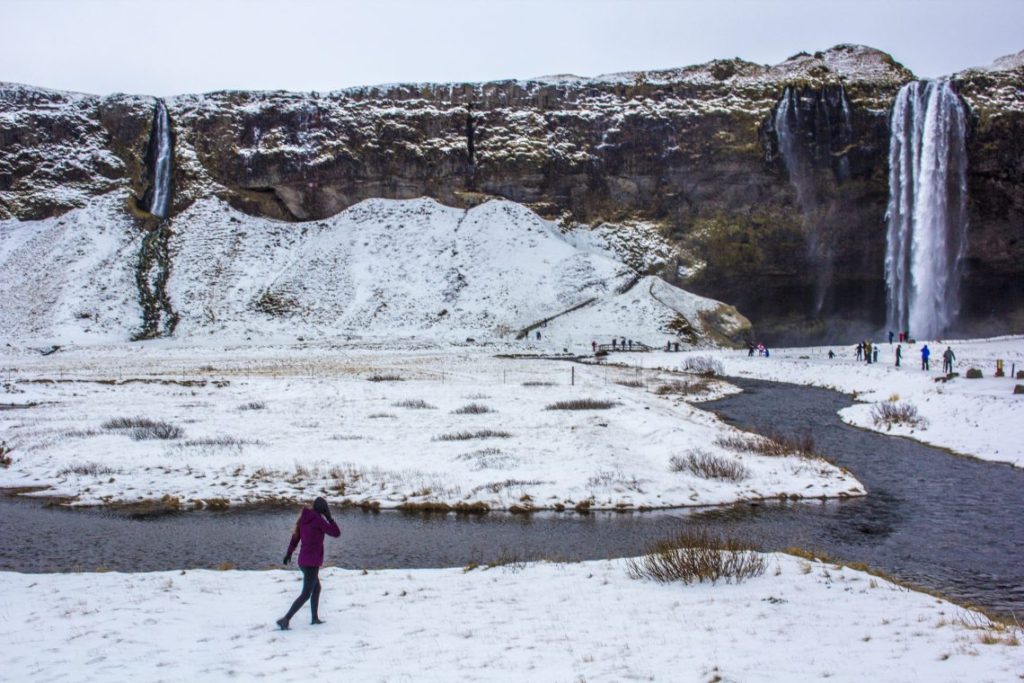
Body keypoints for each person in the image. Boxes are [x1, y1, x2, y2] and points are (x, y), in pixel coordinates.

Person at [277, 497, 341, 630]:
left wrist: (289, 554)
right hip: (311, 563)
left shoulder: (303, 518)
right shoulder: (318, 520)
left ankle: (314, 618)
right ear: (323, 509)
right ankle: (286, 619)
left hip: (303, 561)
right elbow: (336, 533)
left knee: (316, 589)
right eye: (326, 508)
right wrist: (329, 517)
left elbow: (295, 538)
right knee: (306, 593)